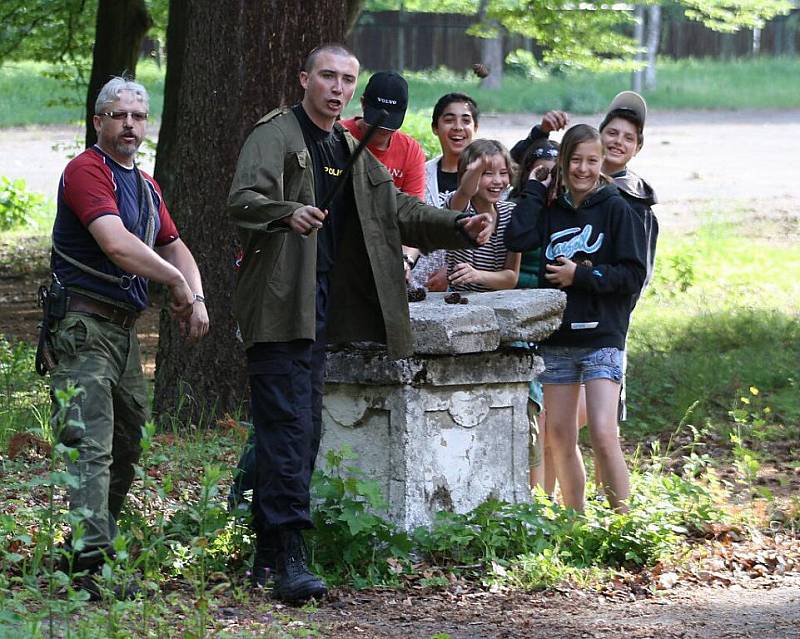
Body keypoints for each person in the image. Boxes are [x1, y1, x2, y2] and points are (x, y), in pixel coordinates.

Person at [227, 43, 491, 603]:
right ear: (305, 79)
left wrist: (458, 225)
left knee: (306, 429)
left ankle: (269, 554)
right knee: (286, 429)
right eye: (327, 76)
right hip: (278, 305)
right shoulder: (275, 134)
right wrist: (285, 213)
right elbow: (241, 200)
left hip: (321, 306)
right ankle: (289, 553)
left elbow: (397, 208)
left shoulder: (350, 146)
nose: (337, 87)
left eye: (347, 79)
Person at [46, 77, 209, 597]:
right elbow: (116, 245)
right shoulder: (86, 171)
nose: (130, 125)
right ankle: (90, 568)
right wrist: (176, 283)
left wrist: (197, 295)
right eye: (119, 115)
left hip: (122, 333)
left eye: (139, 116)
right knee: (90, 445)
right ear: (99, 122)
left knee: (127, 441)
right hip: (83, 326)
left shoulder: (144, 184)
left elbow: (174, 243)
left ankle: (88, 550)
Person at [505, 124, 647, 513]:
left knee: (603, 431)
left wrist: (580, 275)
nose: (583, 169)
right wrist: (535, 186)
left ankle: (624, 527)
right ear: (563, 163)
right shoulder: (551, 210)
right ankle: (575, 522)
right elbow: (517, 238)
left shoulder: (617, 207)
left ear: (602, 164)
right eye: (575, 161)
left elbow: (633, 274)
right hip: (559, 337)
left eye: (592, 161)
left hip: (602, 335)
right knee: (558, 435)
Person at [407, 92, 480, 292]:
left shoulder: (489, 179)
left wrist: (451, 271)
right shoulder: (418, 174)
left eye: (466, 120)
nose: (458, 127)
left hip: (469, 291)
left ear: (476, 128)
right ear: (435, 128)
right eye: (449, 120)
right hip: (413, 289)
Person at [445, 139, 520, 293]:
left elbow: (511, 277)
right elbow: (465, 191)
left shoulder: (512, 214)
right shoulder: (460, 208)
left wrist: (478, 275)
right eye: (487, 173)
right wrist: (476, 170)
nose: (498, 181)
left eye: (503, 173)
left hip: (496, 302)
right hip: (457, 301)